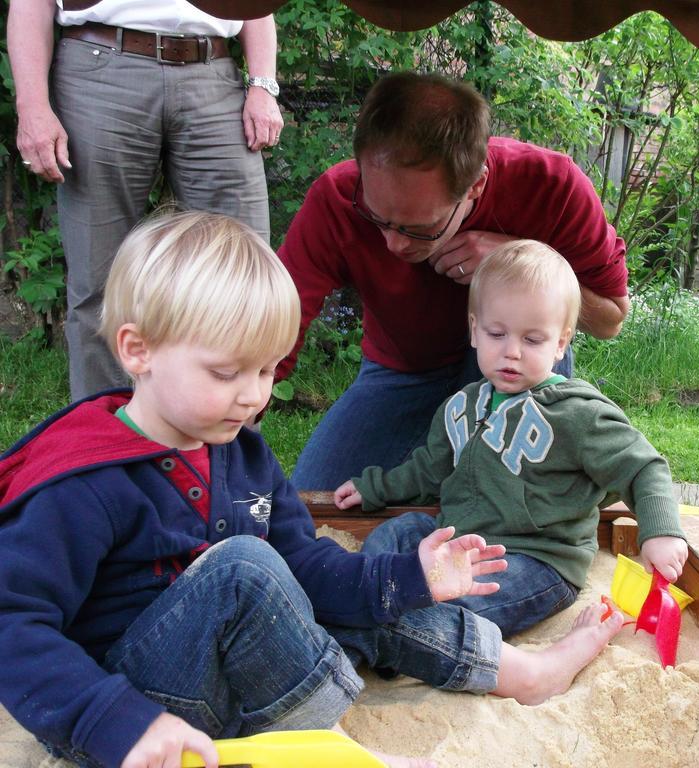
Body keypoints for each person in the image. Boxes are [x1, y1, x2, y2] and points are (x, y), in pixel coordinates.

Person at [0, 212, 623, 768]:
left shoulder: (239, 452)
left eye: (268, 369)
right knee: (247, 570)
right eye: (227, 372)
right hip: (132, 722)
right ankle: (347, 756)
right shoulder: (84, 479)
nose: (254, 394)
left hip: (233, 688)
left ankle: (519, 672)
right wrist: (115, 723)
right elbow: (14, 625)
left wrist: (409, 578)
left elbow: (306, 565)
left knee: (363, 583)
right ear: (138, 351)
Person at [277, 71, 632, 491]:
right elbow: (278, 323)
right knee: (316, 499)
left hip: (517, 372)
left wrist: (517, 259)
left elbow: (611, 319)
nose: (393, 244)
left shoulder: (551, 185)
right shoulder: (336, 198)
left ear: (475, 185)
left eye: (419, 228)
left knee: (503, 509)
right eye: (378, 218)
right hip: (400, 370)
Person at [333, 240, 690, 638]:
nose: (511, 352)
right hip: (462, 542)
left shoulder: (577, 411)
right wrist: (375, 487)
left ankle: (391, 633)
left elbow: (643, 465)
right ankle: (369, 599)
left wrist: (659, 532)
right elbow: (428, 468)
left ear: (561, 342)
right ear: (474, 331)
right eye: (497, 333)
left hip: (536, 560)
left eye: (533, 340)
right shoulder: (461, 405)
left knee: (457, 609)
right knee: (396, 533)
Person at [8, 0, 284, 400]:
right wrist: (32, 105)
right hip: (100, 68)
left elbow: (258, 5)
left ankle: (229, 449)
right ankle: (105, 447)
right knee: (98, 283)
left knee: (243, 275)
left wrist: (263, 85)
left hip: (213, 70)